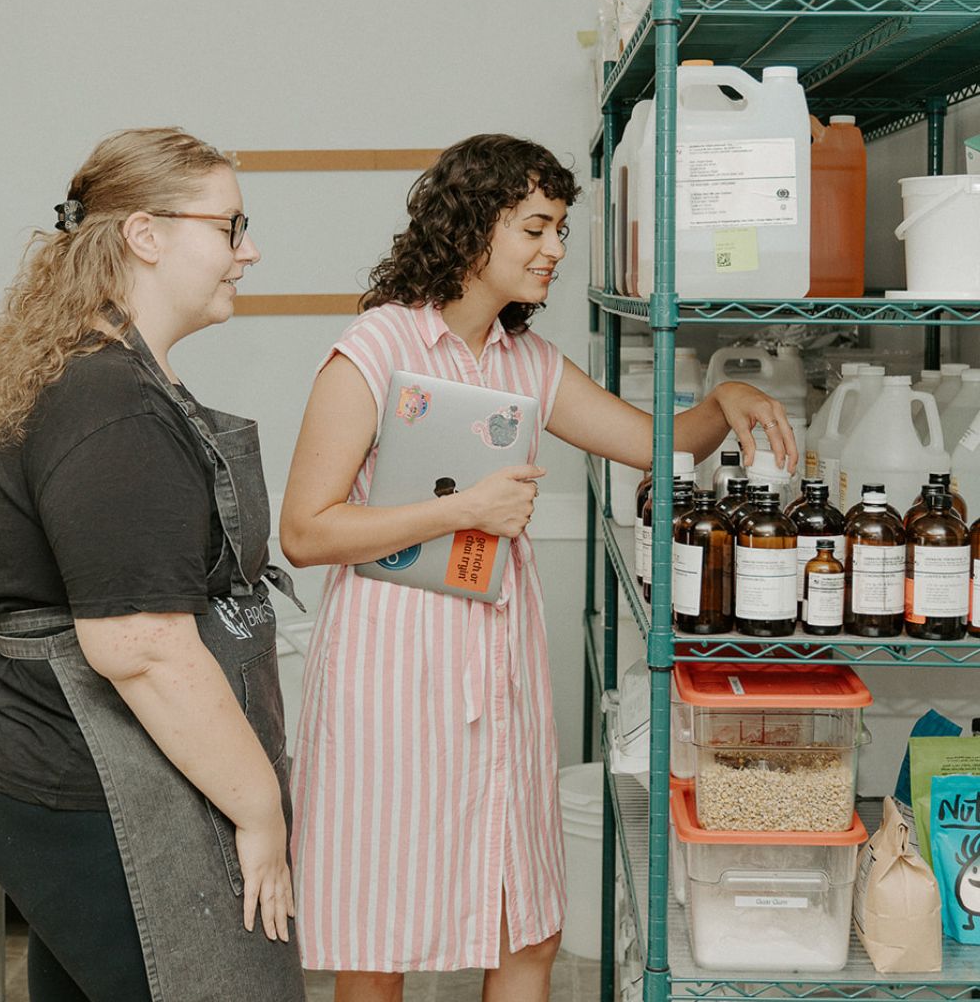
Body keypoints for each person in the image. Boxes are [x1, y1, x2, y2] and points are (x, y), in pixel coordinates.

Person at [280, 133, 797, 1002]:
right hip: (390, 668)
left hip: (497, 668)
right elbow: (304, 529)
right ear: (471, 226)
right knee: (379, 931)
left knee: (528, 925)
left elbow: (655, 442)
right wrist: (463, 511)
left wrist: (724, 400)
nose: (555, 248)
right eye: (534, 228)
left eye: (559, 228)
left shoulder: (527, 362)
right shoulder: (375, 348)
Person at [0, 128, 306, 1002]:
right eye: (230, 226)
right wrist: (258, 808)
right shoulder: (112, 401)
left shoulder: (110, 375)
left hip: (72, 757)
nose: (249, 251)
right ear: (145, 234)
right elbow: (141, 646)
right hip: (83, 773)